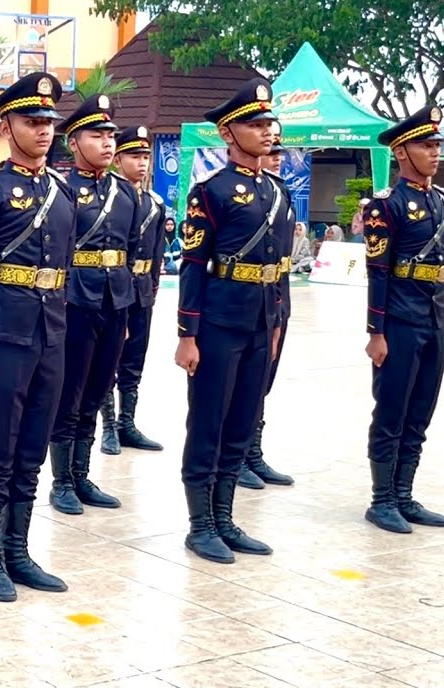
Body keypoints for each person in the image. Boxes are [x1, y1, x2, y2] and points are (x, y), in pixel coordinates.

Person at [0, 71, 72, 602]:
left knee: (32, 449)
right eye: (32, 120)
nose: (44, 130)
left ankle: (20, 552)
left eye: (49, 121)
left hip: (51, 333)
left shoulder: (63, 192)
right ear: (7, 125)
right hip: (3, 333)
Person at [174, 77, 283, 564]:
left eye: (268, 122)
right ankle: (200, 525)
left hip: (261, 321)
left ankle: (225, 517)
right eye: (254, 124)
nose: (266, 130)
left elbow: (278, 265)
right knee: (209, 422)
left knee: (241, 422)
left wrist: (276, 322)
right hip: (219, 321)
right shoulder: (210, 192)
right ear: (227, 133)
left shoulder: (278, 192)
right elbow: (193, 264)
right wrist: (187, 334)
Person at [46, 93, 144, 515]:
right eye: (96, 134)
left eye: (109, 134)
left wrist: (129, 311)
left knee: (98, 389)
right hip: (72, 301)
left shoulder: (126, 194)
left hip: (114, 300)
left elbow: (133, 250)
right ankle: (62, 481)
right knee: (70, 392)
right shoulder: (60, 189)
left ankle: (83, 476)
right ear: (73, 141)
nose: (107, 142)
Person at [362, 105, 444, 533]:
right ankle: (381, 500)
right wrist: (375, 332)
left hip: (435, 318)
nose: (435, 152)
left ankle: (404, 494)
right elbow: (378, 272)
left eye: (437, 144)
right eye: (425, 145)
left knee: (421, 410)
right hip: (398, 320)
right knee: (392, 409)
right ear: (401, 151)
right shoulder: (388, 206)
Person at [235, 123, 296, 490]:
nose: (274, 159)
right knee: (240, 384)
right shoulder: (237, 192)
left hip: (277, 299)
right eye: (272, 153)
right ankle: (238, 453)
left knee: (263, 380)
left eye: (278, 155)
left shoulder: (281, 196)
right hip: (244, 302)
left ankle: (253, 453)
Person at [98, 125, 164, 456]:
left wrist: (152, 289)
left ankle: (127, 422)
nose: (141, 163)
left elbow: (156, 252)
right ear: (118, 159)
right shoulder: (113, 199)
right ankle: (108, 425)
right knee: (110, 358)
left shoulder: (154, 203)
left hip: (142, 290)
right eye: (134, 156)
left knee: (134, 360)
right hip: (115, 287)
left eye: (145, 157)